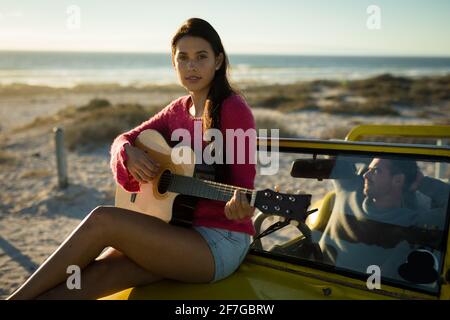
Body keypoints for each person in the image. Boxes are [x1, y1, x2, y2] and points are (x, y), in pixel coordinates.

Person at [7, 18, 256, 300]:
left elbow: (243, 185)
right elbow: (123, 139)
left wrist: (241, 208)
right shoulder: (176, 110)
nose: (192, 66)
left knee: (103, 220)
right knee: (93, 278)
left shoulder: (233, 109)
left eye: (201, 57)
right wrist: (129, 153)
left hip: (218, 241)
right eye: (183, 58)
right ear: (173, 64)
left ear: (218, 60)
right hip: (173, 230)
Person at [318, 157, 449, 280]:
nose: (365, 175)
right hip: (315, 277)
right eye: (368, 169)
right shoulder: (349, 189)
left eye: (375, 171)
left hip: (362, 291)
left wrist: (423, 183)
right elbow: (336, 157)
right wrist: (377, 155)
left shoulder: (413, 222)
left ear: (398, 180)